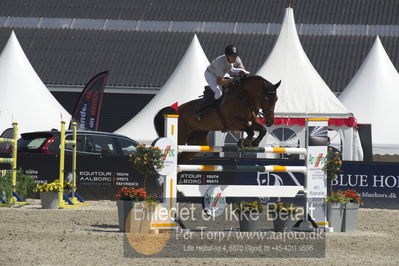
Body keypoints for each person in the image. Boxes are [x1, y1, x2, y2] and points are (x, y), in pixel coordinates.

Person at [195, 44, 250, 122]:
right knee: (218, 93)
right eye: (232, 57)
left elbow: (242, 68)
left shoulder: (236, 58)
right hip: (211, 75)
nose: (234, 58)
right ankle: (200, 111)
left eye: (235, 56)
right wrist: (232, 79)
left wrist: (243, 73)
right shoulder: (220, 63)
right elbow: (219, 82)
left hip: (222, 74)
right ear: (227, 56)